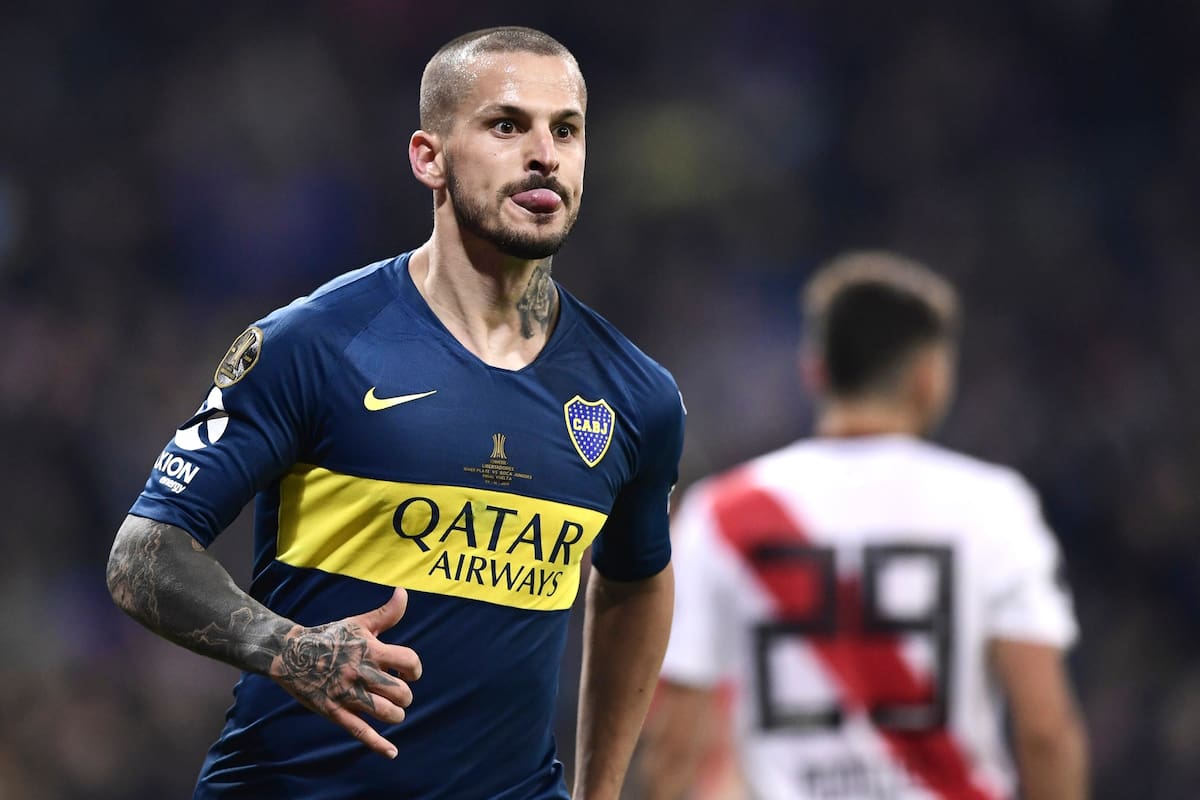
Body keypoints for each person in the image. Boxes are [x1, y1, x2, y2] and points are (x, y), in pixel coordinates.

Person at [106, 26, 683, 800]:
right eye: (507, 125)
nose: (544, 152)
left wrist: (600, 790)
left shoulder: (636, 395)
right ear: (428, 157)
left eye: (566, 129)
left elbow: (636, 581)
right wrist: (286, 647)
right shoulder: (314, 345)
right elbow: (144, 553)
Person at [639, 252, 1087, 800]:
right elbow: (1045, 732)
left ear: (816, 371)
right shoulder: (994, 507)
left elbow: (676, 741)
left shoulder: (721, 515)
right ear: (928, 378)